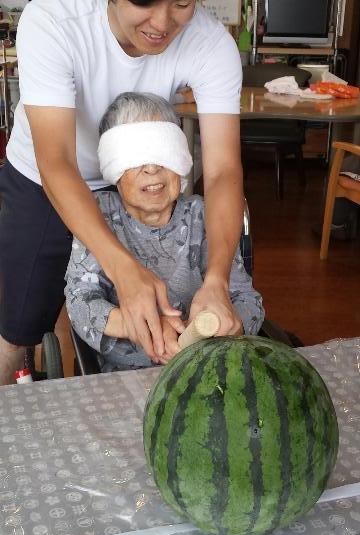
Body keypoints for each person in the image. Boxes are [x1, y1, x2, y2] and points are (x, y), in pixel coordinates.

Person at [0, 0, 244, 385]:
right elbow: (57, 162)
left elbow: (223, 171)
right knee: (18, 332)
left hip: (137, 182)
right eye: (144, 1)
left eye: (182, 2)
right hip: (48, 177)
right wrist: (124, 270)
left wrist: (217, 281)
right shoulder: (53, 19)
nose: (162, 22)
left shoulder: (210, 43)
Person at [65, 92, 263, 371]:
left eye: (162, 152)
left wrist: (221, 325)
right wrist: (143, 325)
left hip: (206, 370)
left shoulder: (205, 218)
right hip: (124, 377)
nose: (152, 167)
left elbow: (249, 300)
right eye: (135, 156)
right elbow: (79, 302)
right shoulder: (98, 217)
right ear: (112, 168)